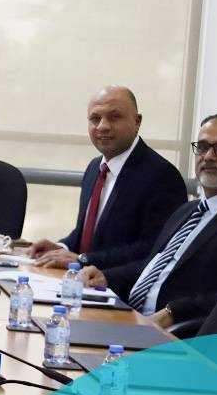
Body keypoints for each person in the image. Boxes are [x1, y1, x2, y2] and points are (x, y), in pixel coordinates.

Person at [82, 114, 217, 329]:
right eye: (202, 147)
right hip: (131, 318)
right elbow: (153, 267)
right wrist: (106, 277)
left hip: (180, 334)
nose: (209, 156)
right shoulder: (187, 211)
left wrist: (173, 312)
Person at [29, 86, 187, 269]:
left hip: (119, 284)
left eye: (114, 117)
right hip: (81, 279)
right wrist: (61, 247)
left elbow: (153, 249)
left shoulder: (162, 176)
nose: (103, 126)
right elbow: (89, 235)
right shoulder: (94, 168)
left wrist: (84, 260)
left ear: (137, 122)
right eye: (95, 119)